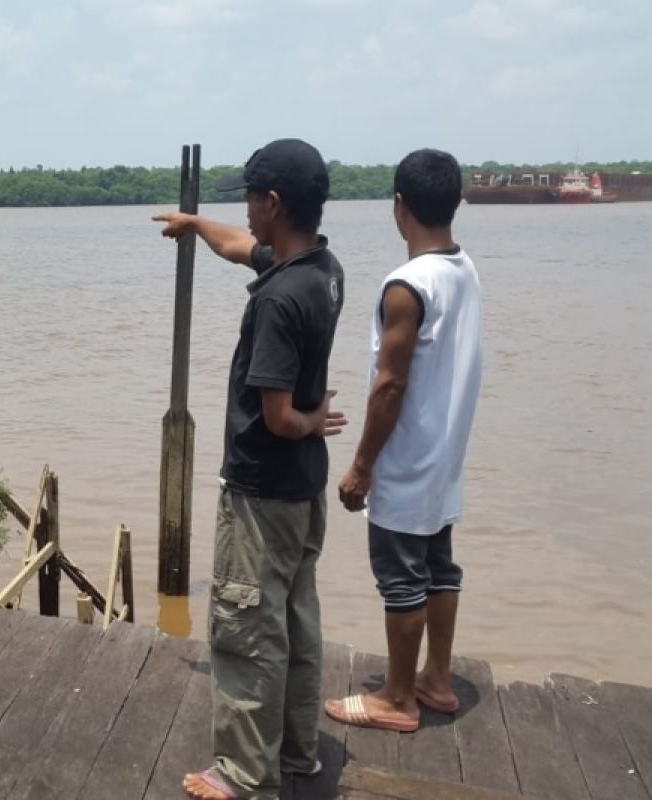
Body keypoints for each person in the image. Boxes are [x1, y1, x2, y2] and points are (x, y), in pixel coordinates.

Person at [154, 138, 346, 800]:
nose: (247, 211)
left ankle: (242, 774)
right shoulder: (322, 269)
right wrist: (194, 225)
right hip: (304, 489)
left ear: (274, 202)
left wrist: (311, 421)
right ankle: (297, 754)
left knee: (242, 632)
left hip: (261, 493)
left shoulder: (276, 302)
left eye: (250, 199)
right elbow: (241, 246)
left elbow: (277, 417)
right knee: (294, 619)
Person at [324, 149, 483, 733]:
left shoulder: (406, 286)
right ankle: (436, 679)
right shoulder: (463, 268)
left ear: (399, 206)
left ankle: (397, 698)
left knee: (399, 578)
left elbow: (389, 386)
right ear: (457, 201)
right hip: (445, 457)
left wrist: (361, 466)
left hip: (409, 459)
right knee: (439, 567)